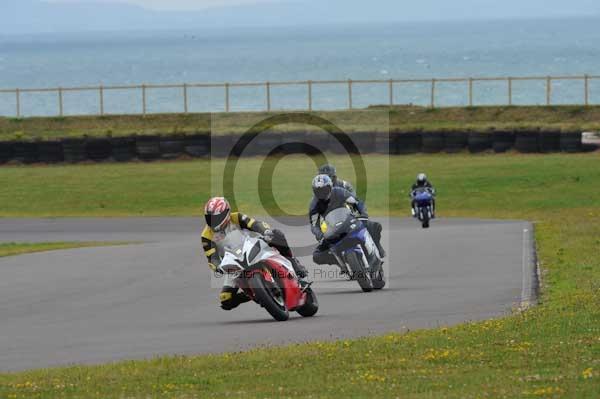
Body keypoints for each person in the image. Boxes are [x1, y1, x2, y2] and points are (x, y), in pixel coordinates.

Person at [202, 197, 308, 311]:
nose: (213, 221)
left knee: (277, 235)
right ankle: (256, 293)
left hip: (253, 247)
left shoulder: (236, 217)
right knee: (226, 300)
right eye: (210, 218)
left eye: (216, 218)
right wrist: (218, 267)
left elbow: (255, 224)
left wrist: (266, 231)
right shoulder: (206, 235)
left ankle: (293, 262)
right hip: (234, 263)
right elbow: (212, 258)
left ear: (226, 213)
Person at [309, 174, 385, 267]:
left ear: (330, 187)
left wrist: (361, 215)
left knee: (375, 226)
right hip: (331, 230)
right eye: (319, 191)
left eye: (324, 190)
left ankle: (376, 250)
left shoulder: (339, 192)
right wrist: (320, 235)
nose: (322, 193)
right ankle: (341, 263)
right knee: (317, 256)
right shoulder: (314, 204)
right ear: (314, 192)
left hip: (349, 221)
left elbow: (354, 202)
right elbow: (314, 224)